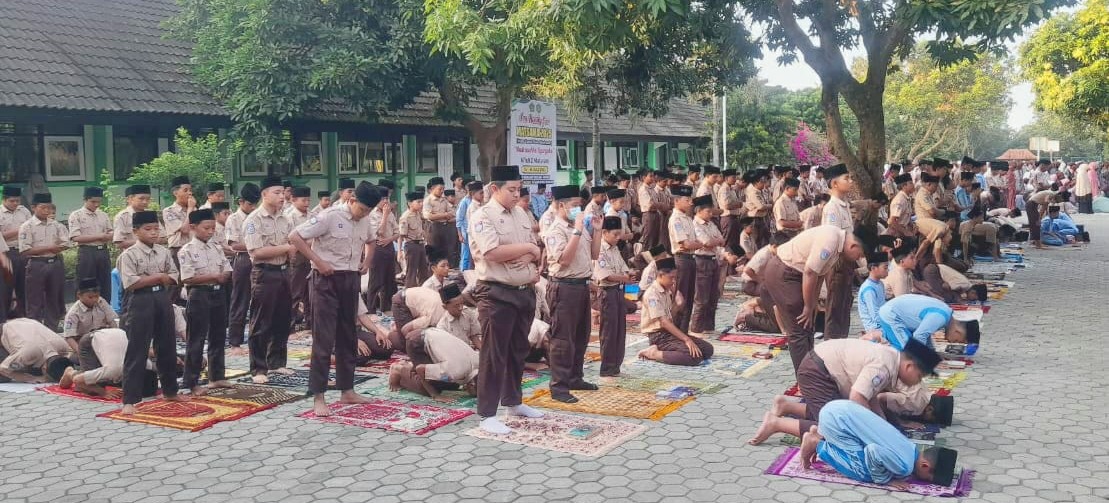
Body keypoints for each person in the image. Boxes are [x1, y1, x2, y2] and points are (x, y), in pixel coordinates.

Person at [289, 181, 381, 416]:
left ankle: (347, 390)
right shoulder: (329, 216)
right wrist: (318, 260)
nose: (365, 214)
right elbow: (295, 236)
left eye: (369, 211)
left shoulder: (365, 220)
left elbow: (372, 241)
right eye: (362, 209)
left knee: (347, 335)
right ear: (351, 201)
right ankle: (318, 396)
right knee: (324, 338)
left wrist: (367, 262)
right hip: (325, 280)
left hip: (350, 280)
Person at [748, 337, 940, 445]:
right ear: (909, 366)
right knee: (835, 427)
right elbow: (858, 398)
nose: (917, 382)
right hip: (818, 372)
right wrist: (871, 430)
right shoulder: (884, 366)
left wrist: (885, 426)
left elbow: (870, 397)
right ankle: (776, 423)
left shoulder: (891, 359)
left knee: (836, 413)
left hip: (823, 369)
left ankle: (786, 405)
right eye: (919, 377)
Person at [468, 165, 545, 434]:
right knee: (494, 353)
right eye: (511, 190)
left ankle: (513, 401)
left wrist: (530, 253)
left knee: (517, 351)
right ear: (494, 189)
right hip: (496, 292)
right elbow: (492, 252)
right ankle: (487, 413)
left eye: (518, 189)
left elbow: (536, 250)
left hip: (524, 290)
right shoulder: (482, 216)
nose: (516, 195)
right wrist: (526, 249)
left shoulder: (521, 213)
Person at [760, 225, 865, 371]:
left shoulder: (837, 244)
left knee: (808, 326)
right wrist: (808, 307)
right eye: (859, 255)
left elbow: (819, 274)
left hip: (796, 274)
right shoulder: (831, 240)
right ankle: (806, 379)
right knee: (799, 329)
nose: (858, 259)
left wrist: (813, 303)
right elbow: (810, 272)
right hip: (784, 272)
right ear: (853, 246)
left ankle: (812, 372)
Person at [798, 400, 959, 489]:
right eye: (929, 479)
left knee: (863, 453)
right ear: (925, 466)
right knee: (864, 471)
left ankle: (818, 433)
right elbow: (872, 450)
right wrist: (885, 480)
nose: (926, 481)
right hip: (835, 421)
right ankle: (816, 443)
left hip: (837, 408)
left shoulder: (910, 447)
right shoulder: (905, 466)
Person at [118, 210, 186, 414]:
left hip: (161, 298)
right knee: (137, 348)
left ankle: (170, 390)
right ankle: (130, 400)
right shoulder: (128, 255)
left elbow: (174, 275)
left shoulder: (163, 251)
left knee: (166, 344)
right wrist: (158, 277)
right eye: (148, 229)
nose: (154, 233)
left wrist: (156, 278)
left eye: (156, 229)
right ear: (135, 231)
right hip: (140, 300)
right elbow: (131, 283)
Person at [543, 184, 601, 403]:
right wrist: (577, 229)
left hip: (581, 284)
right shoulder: (555, 230)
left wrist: (597, 230)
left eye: (580, 205)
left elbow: (594, 253)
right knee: (562, 339)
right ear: (561, 206)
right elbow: (565, 260)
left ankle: (575, 378)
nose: (580, 210)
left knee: (581, 334)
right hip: (563, 286)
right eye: (575, 206)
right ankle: (559, 386)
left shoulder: (580, 227)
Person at [243, 176, 295, 384]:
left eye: (283, 192)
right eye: (277, 192)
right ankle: (258, 368)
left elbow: (293, 243)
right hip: (264, 273)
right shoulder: (253, 220)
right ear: (264, 194)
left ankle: (277, 362)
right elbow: (256, 252)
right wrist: (285, 248)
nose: (282, 196)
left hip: (284, 271)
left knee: (283, 319)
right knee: (261, 321)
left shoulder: (286, 218)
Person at [176, 209, 233, 397]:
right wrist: (214, 276)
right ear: (193, 228)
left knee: (218, 335)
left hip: (218, 293)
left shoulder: (216, 247)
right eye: (206, 228)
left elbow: (226, 268)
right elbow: (188, 278)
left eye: (213, 228)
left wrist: (222, 276)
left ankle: (216, 376)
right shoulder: (187, 250)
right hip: (199, 294)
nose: (210, 232)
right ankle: (190, 382)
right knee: (197, 338)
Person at [636, 257, 714, 366]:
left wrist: (679, 304)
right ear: (661, 275)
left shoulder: (667, 290)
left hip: (668, 332)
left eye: (675, 278)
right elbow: (663, 322)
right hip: (658, 336)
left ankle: (671, 349)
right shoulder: (652, 294)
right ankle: (654, 353)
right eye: (671, 278)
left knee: (707, 349)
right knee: (693, 357)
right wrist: (686, 339)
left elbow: (671, 316)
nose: (674, 281)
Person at [17, 192, 70, 330]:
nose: (47, 211)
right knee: (35, 300)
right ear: (33, 208)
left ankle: (51, 328)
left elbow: (65, 242)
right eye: (43, 208)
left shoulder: (56, 225)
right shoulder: (27, 226)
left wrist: (58, 248)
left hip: (55, 263)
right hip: (36, 264)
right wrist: (49, 247)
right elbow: (25, 251)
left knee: (54, 298)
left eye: (49, 208)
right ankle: (34, 330)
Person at [594, 216, 635, 380]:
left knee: (620, 330)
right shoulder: (600, 249)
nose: (619, 238)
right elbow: (606, 275)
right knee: (609, 332)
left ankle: (616, 366)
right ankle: (607, 367)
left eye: (620, 234)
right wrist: (625, 278)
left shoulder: (614, 248)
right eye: (615, 234)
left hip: (618, 291)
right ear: (604, 232)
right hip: (607, 292)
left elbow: (623, 269)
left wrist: (628, 275)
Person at [820, 164, 855, 341]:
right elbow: (832, 238)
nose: (850, 181)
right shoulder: (832, 208)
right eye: (846, 178)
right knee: (835, 307)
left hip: (847, 261)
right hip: (837, 261)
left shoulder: (844, 205)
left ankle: (842, 343)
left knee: (844, 305)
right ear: (834, 183)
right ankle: (831, 346)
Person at [874, 294, 980, 350]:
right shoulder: (941, 317)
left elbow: (926, 333)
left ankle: (875, 343)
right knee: (907, 352)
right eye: (958, 341)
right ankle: (870, 349)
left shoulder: (946, 315)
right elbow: (919, 336)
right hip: (892, 316)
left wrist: (931, 350)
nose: (952, 342)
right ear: (958, 332)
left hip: (898, 316)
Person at [226, 184, 259, 349]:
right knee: (240, 300)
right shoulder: (233, 219)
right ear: (241, 201)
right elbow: (234, 245)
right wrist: (256, 246)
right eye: (249, 204)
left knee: (259, 300)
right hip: (244, 260)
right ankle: (235, 341)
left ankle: (257, 338)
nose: (253, 207)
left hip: (259, 260)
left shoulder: (258, 216)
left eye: (255, 204)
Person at [67, 186, 113, 297]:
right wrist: (99, 236)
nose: (96, 205)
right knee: (86, 283)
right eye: (93, 202)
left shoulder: (103, 215)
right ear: (85, 200)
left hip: (103, 252)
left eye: (99, 202)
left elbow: (111, 232)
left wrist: (109, 236)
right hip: (87, 252)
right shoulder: (76, 215)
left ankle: (104, 309)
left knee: (105, 283)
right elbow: (75, 237)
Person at [0, 317, 73, 383]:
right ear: (44, 369)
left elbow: (64, 366)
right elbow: (3, 369)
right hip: (5, 330)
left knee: (28, 368)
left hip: (26, 323)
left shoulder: (64, 347)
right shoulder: (28, 354)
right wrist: (31, 379)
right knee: (3, 378)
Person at [690, 195, 724, 335]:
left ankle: (709, 326)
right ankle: (696, 328)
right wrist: (713, 241)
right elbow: (707, 242)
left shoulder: (711, 224)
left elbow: (721, 239)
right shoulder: (695, 225)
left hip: (712, 259)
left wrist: (713, 241)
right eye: (708, 211)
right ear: (699, 211)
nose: (711, 214)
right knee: (702, 298)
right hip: (701, 260)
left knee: (713, 296)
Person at [667, 184, 698, 332]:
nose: (690, 202)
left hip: (690, 259)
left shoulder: (687, 218)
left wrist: (696, 244)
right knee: (680, 299)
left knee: (690, 298)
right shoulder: (676, 220)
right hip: (682, 260)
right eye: (687, 199)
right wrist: (698, 244)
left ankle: (684, 331)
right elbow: (685, 244)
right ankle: (675, 331)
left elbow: (695, 242)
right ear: (677, 200)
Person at [365, 182, 399, 312]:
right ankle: (371, 309)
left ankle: (387, 307)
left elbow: (397, 232)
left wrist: (389, 239)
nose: (385, 201)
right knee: (376, 280)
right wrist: (384, 216)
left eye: (387, 198)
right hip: (377, 248)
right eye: (382, 199)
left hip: (389, 246)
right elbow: (378, 232)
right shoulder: (372, 214)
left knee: (389, 280)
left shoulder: (390, 213)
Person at [284, 186, 312, 330]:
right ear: (293, 200)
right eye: (304, 200)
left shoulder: (312, 215)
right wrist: (306, 243)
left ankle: (309, 321)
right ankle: (290, 323)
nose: (307, 203)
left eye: (308, 200)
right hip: (297, 257)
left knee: (310, 292)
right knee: (294, 292)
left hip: (311, 258)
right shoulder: (289, 217)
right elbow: (291, 239)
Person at [1, 186, 31, 317]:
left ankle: (23, 316)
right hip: (6, 253)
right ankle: (4, 318)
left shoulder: (24, 211)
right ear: (4, 199)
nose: (15, 204)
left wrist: (18, 232)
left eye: (17, 201)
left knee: (24, 286)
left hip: (23, 251)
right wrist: (21, 230)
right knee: (5, 288)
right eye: (12, 201)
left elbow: (32, 229)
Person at [423, 177, 457, 268]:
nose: (442, 191)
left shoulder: (444, 199)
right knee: (434, 252)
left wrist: (438, 215)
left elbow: (452, 213)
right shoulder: (428, 200)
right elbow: (428, 216)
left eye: (443, 189)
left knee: (446, 251)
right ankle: (432, 271)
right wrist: (445, 215)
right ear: (432, 188)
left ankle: (444, 271)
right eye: (440, 189)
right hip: (433, 228)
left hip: (445, 227)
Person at [399, 191, 430, 287]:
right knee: (411, 271)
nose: (421, 204)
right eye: (418, 202)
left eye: (422, 202)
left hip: (420, 244)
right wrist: (400, 251)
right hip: (411, 245)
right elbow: (401, 235)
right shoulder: (405, 217)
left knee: (424, 270)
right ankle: (409, 293)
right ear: (410, 203)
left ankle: (423, 290)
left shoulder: (418, 214)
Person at [858, 253, 890, 337]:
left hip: (882, 323)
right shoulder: (869, 289)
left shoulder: (880, 284)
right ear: (873, 268)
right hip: (874, 328)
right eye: (885, 268)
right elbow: (875, 316)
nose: (888, 270)